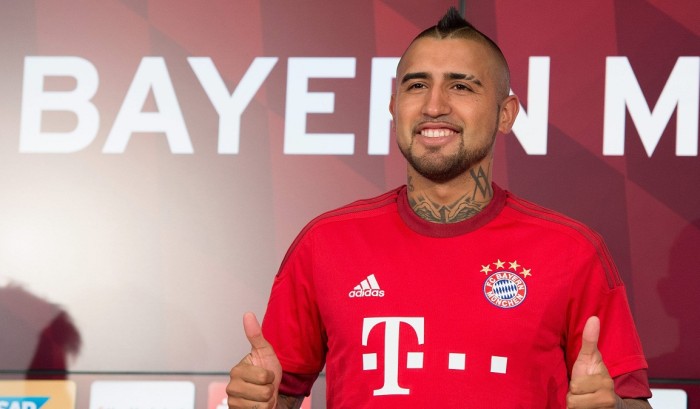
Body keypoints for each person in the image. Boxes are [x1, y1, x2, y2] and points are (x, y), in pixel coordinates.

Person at [226, 7, 652, 409]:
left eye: (461, 86)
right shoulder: (325, 243)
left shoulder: (572, 250)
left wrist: (612, 405)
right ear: (394, 108)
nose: (434, 106)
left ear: (506, 114)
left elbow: (629, 401)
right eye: (416, 86)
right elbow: (277, 395)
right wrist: (259, 401)